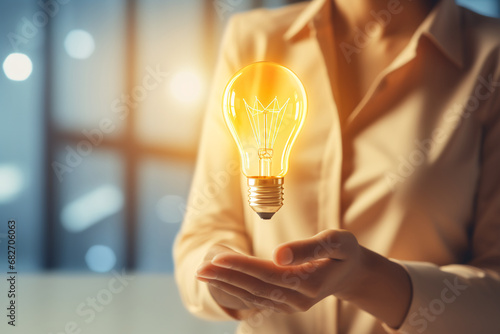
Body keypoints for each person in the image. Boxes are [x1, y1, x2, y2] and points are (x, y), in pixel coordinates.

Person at [173, 0, 500, 332]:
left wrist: (367, 279)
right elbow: (202, 235)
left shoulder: (491, 56)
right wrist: (222, 280)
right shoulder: (254, 38)